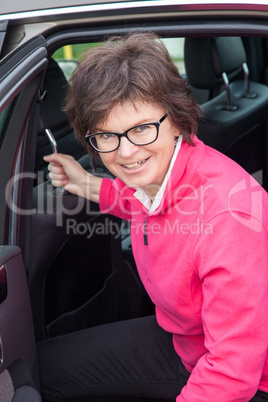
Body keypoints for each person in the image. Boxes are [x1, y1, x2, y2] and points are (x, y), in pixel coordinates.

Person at [37, 32, 268, 401]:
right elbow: (141, 201)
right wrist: (86, 184)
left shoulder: (228, 216)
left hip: (245, 379)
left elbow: (232, 368)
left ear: (177, 119)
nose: (126, 151)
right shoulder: (165, 176)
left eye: (142, 128)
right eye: (106, 136)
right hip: (186, 341)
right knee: (40, 369)